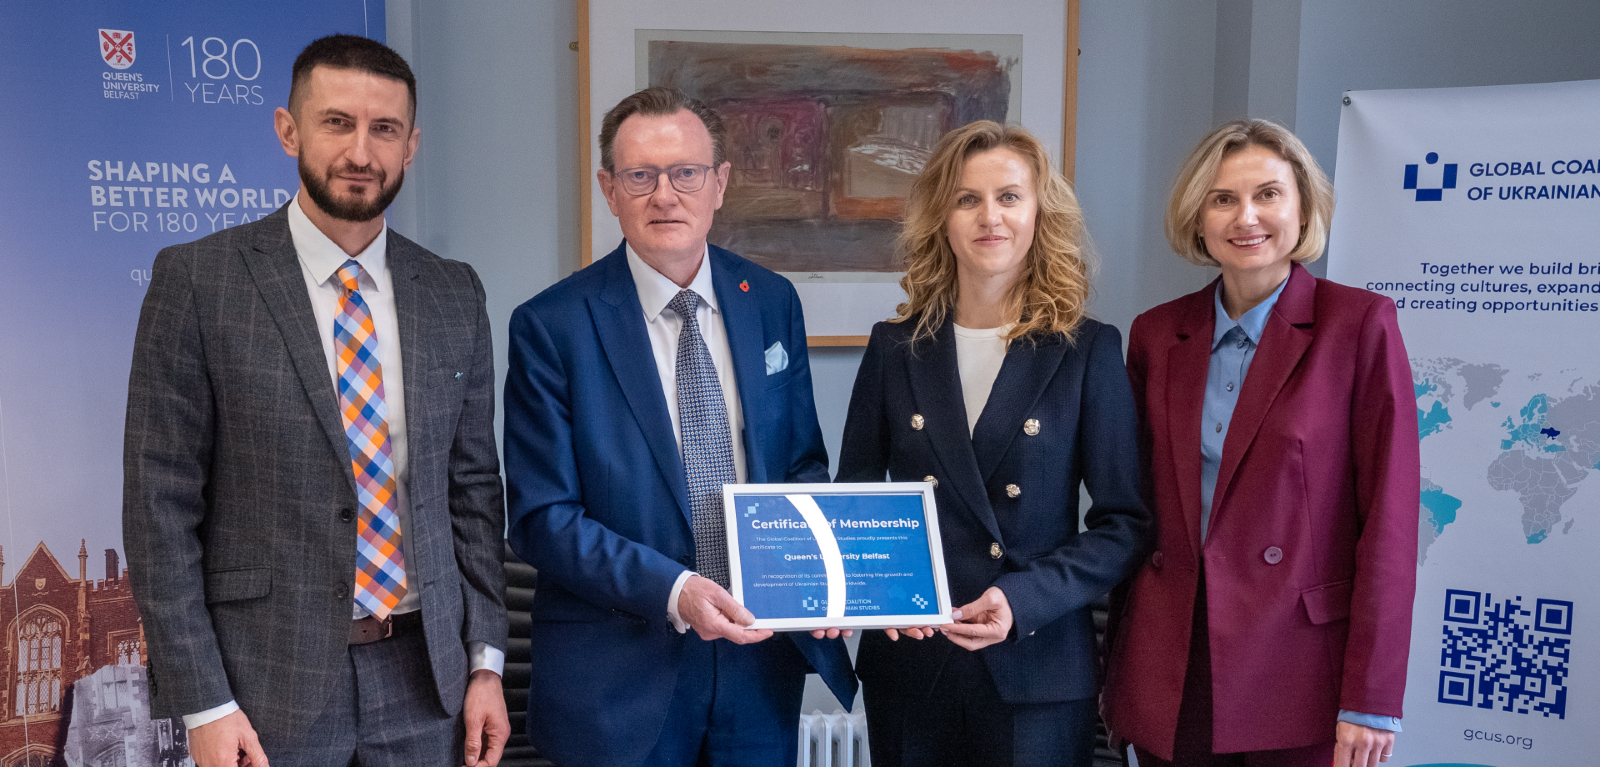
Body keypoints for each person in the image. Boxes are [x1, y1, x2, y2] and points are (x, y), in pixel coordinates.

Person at [123, 34, 509, 767]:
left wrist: (485, 662)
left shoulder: (455, 292)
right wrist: (205, 701)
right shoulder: (201, 281)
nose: (361, 151)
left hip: (426, 683)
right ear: (288, 129)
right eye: (337, 122)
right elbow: (158, 509)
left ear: (411, 144)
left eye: (384, 129)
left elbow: (473, 495)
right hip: (263, 687)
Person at [501, 87, 855, 767]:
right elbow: (543, 516)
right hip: (620, 677)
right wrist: (676, 591)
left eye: (686, 172)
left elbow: (802, 465)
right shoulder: (552, 325)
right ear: (609, 189)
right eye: (640, 175)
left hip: (759, 663)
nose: (666, 194)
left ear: (719, 184)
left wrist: (817, 574)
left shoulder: (771, 300)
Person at [1101, 119, 1418, 767]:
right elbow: (1133, 517)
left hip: (1299, 672)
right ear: (1197, 217)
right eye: (1223, 198)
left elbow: (1390, 522)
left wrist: (1371, 697)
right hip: (1174, 667)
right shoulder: (1156, 335)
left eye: (1268, 194)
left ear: (1303, 207)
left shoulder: (1358, 325)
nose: (1247, 216)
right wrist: (1119, 678)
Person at [834, 120, 1150, 767]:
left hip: (1034, 667)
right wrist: (879, 592)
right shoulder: (894, 348)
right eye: (967, 198)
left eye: (1009, 196)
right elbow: (854, 502)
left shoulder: (1087, 350)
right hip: (912, 660)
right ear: (941, 218)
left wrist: (1021, 598)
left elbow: (1125, 523)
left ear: (1039, 213)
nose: (990, 216)